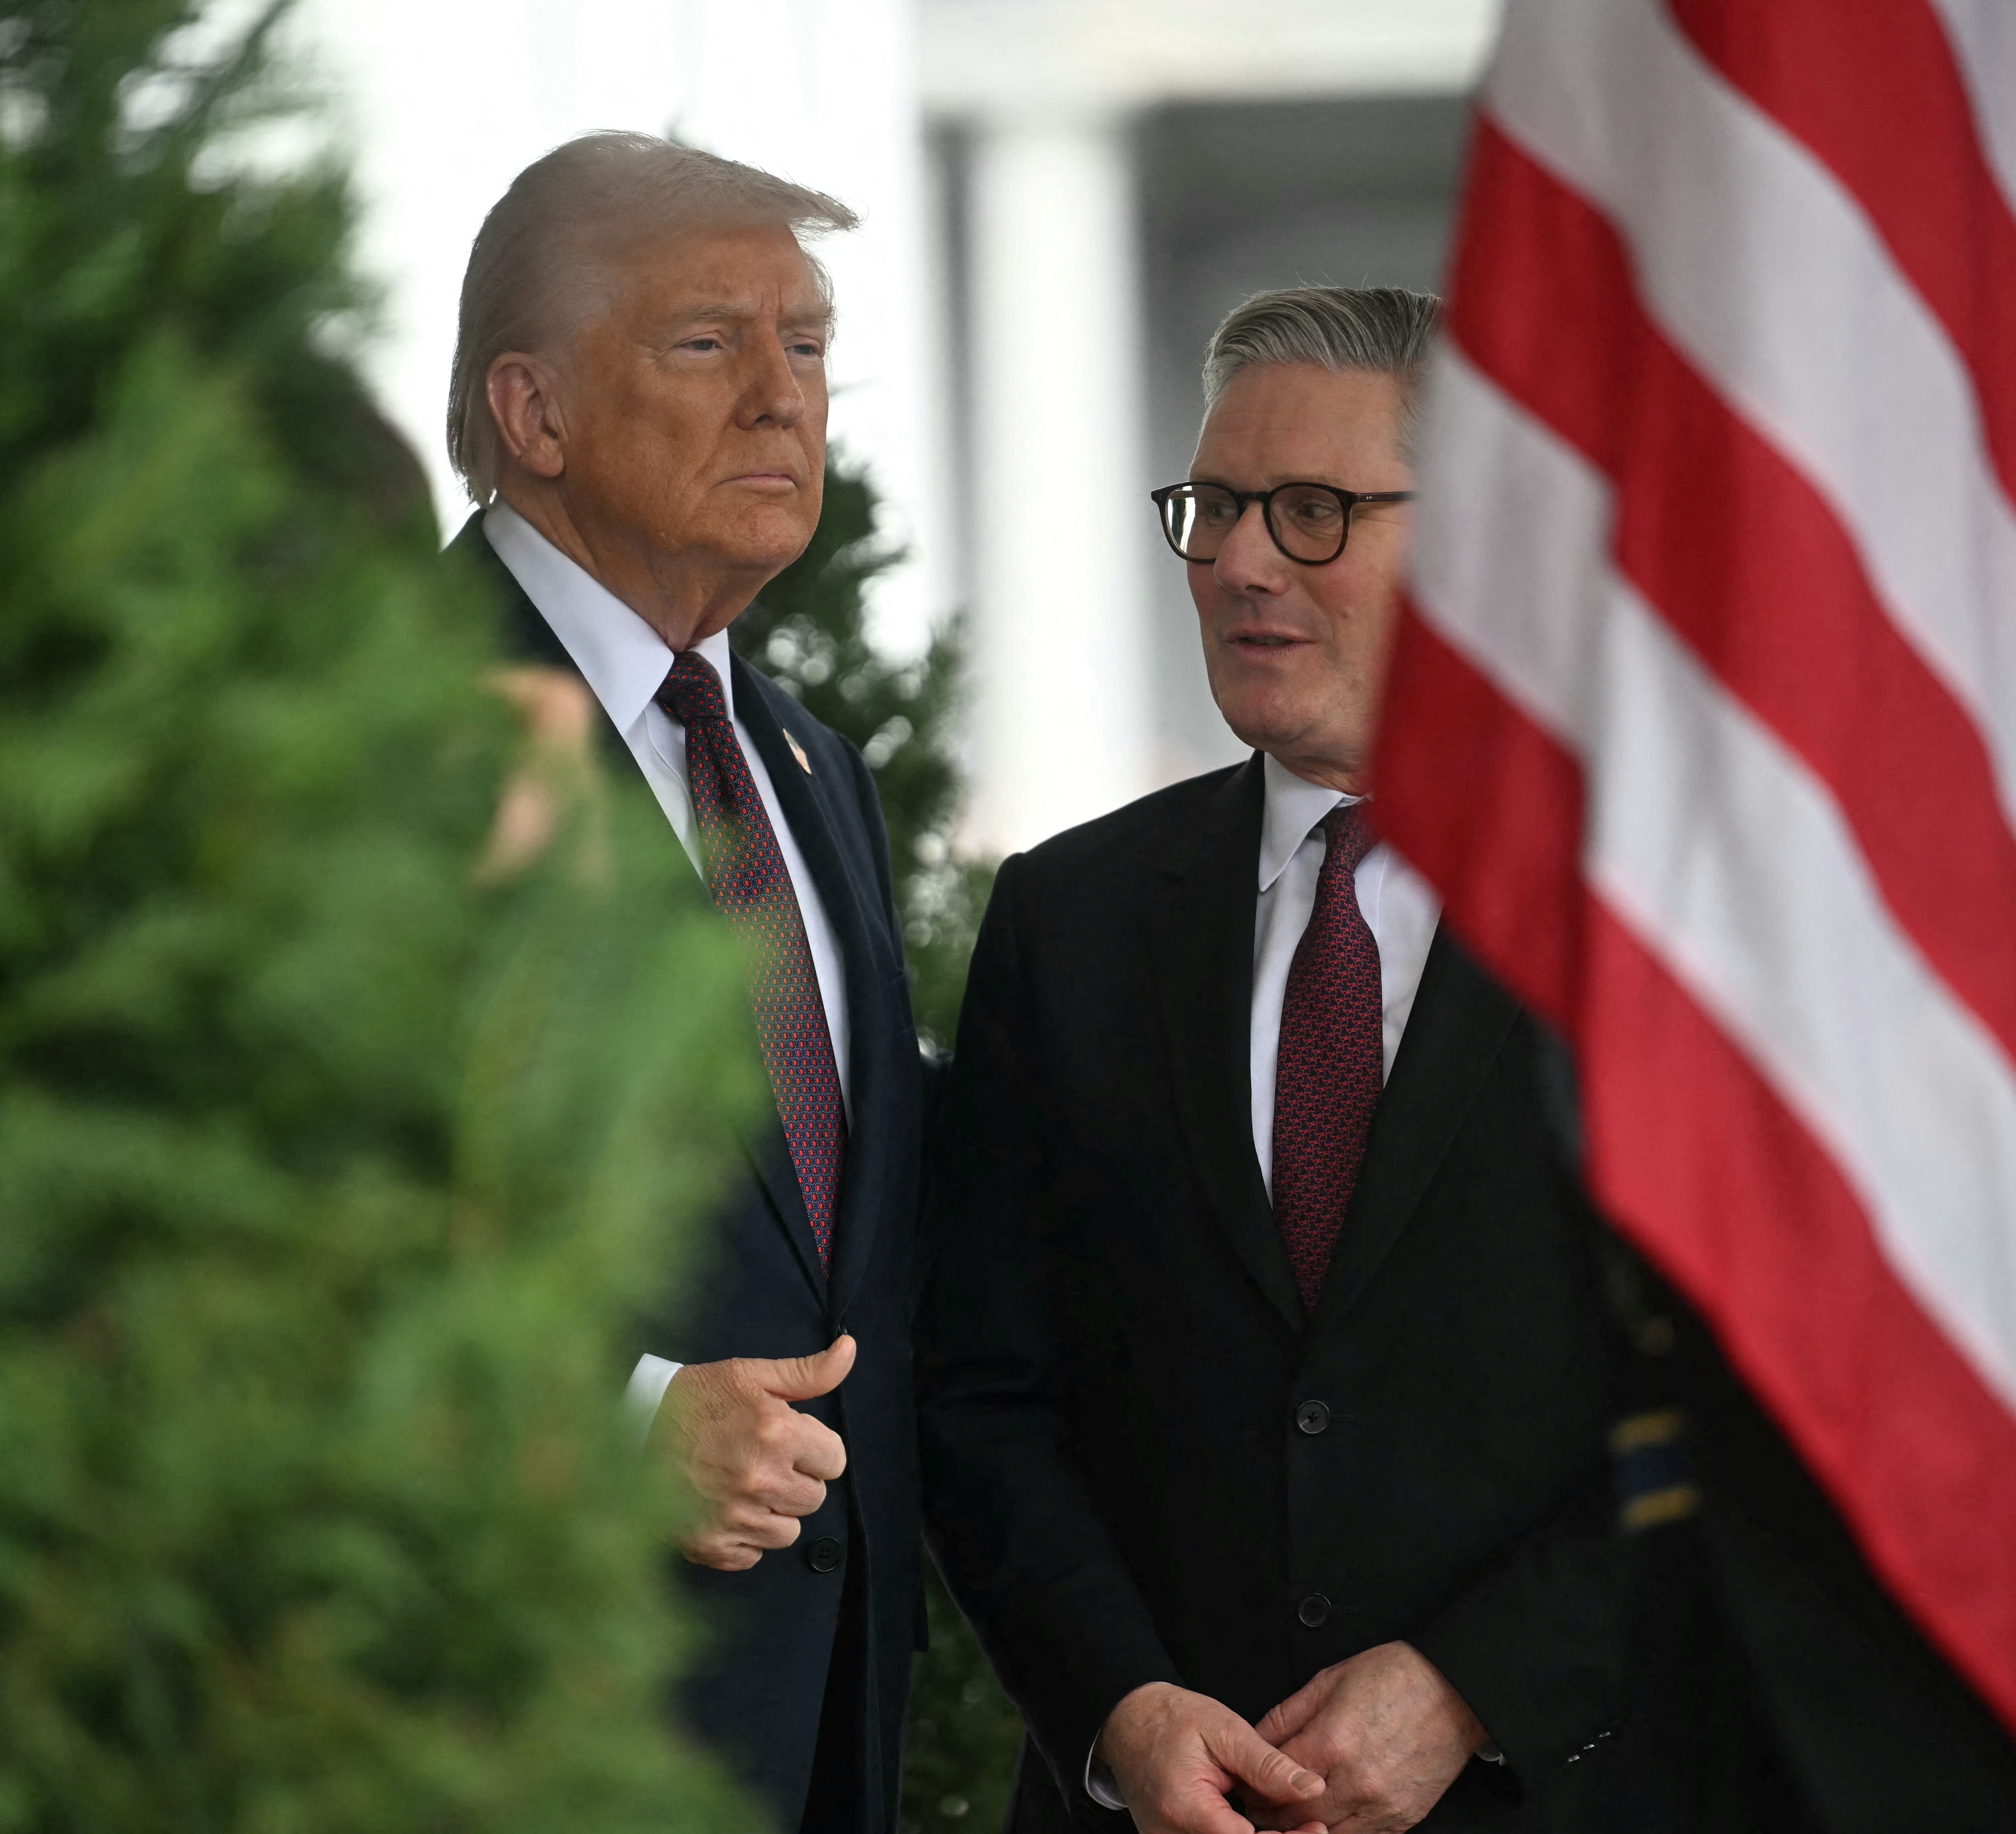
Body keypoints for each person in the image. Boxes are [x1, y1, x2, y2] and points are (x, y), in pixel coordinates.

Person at [918, 287, 1644, 1833]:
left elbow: (1757, 1409)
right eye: (1215, 508)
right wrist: (1116, 1705)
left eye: (1314, 511)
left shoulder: (1661, 921)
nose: (1241, 561)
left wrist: (1476, 1681)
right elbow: (985, 1393)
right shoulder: (1071, 919)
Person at [440, 133, 924, 1834]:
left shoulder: (808, 766)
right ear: (535, 411)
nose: (784, 399)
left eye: (808, 344)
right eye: (711, 343)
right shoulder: (369, 732)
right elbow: (258, 1238)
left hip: (819, 1732)